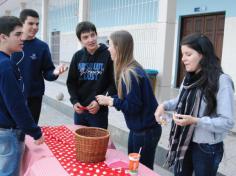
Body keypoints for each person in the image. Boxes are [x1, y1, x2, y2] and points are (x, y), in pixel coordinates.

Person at [155, 33, 235, 176]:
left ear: (202, 54)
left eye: (188, 54)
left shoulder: (221, 81)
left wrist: (195, 121)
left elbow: (227, 122)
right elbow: (179, 101)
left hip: (206, 148)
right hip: (183, 142)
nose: (183, 59)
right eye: (182, 54)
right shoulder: (188, 78)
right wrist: (163, 106)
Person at [96, 30, 162, 169]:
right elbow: (127, 100)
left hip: (146, 131)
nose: (108, 48)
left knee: (142, 169)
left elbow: (133, 106)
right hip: (138, 129)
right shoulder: (129, 68)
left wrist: (111, 102)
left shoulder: (130, 73)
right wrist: (111, 98)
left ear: (118, 48)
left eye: (110, 45)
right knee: (134, 167)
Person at [0, 16, 44, 176]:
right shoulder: (5, 66)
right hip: (8, 132)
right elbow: (16, 106)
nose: (23, 38)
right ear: (3, 37)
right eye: (18, 34)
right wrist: (35, 132)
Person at [11, 9, 67, 124]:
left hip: (34, 97)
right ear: (21, 24)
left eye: (37, 24)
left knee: (31, 130)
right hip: (12, 95)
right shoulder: (11, 44)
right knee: (12, 130)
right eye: (31, 23)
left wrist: (55, 72)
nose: (35, 27)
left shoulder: (42, 47)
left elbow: (48, 72)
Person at [66, 21, 116, 129]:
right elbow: (71, 82)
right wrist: (74, 101)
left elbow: (114, 84)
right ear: (80, 40)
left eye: (92, 35)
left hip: (99, 112)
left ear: (96, 34)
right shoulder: (77, 56)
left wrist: (99, 102)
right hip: (80, 111)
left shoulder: (108, 55)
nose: (91, 39)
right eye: (85, 37)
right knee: (81, 143)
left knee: (97, 144)